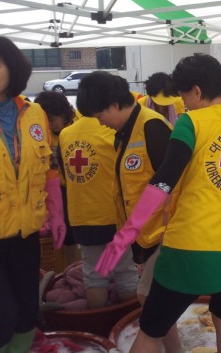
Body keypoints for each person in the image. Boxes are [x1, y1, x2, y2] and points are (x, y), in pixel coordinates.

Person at [95, 53, 221, 353]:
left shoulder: (191, 123)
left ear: (196, 90)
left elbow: (163, 181)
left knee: (151, 330)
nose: (184, 105)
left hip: (189, 248)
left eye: (184, 97)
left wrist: (128, 232)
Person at [76, 72, 181, 351]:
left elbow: (174, 184)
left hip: (165, 233)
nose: (100, 122)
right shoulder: (124, 133)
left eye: (99, 115)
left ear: (114, 104)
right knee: (155, 299)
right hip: (145, 236)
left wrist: (163, 233)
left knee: (147, 297)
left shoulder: (152, 127)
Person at [0, 36, 66, 353]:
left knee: (25, 312)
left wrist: (57, 214)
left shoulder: (35, 114)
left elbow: (49, 168)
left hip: (26, 232)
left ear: (13, 69)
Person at [58, 114, 138, 309]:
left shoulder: (65, 134)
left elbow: (64, 176)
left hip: (81, 215)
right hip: (113, 215)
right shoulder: (113, 131)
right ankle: (127, 319)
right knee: (125, 271)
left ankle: (99, 319)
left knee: (93, 273)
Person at [34, 90, 81, 265]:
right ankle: (71, 266)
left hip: (79, 187)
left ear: (63, 113)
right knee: (67, 235)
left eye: (52, 120)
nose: (50, 125)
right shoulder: (42, 133)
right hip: (58, 190)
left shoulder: (80, 124)